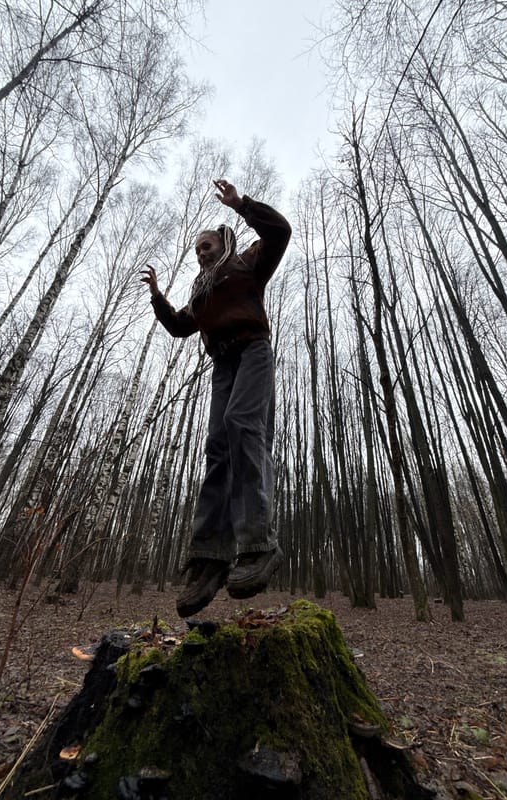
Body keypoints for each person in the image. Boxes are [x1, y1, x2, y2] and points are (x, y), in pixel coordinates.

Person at [141, 179, 291, 617]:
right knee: (217, 448)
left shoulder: (246, 263)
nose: (202, 254)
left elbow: (279, 232)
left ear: (223, 244)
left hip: (252, 350)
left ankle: (258, 544)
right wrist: (157, 299)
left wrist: (242, 205)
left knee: (244, 427)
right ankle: (210, 558)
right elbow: (181, 326)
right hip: (222, 364)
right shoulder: (201, 290)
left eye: (207, 246)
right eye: (197, 251)